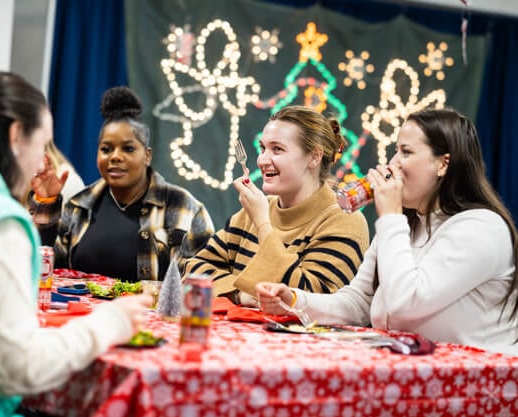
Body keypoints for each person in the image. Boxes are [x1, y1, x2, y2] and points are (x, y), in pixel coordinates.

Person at [0, 71, 152, 416]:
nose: (41, 162)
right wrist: (108, 323)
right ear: (14, 136)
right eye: (42, 146)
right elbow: (16, 369)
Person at [256, 108, 518, 355]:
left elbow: (406, 303)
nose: (393, 163)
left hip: (479, 381)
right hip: (408, 370)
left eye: (406, 152)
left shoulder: (482, 227)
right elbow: (358, 302)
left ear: (442, 164)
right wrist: (295, 300)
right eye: (396, 151)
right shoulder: (404, 225)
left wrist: (391, 217)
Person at [184, 105, 370, 305]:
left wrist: (263, 223)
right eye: (263, 148)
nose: (262, 160)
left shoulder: (344, 220)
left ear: (314, 157)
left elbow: (312, 298)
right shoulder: (252, 212)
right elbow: (194, 269)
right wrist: (240, 295)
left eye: (277, 149)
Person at [30, 86, 214, 282]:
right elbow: (44, 271)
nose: (115, 157)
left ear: (147, 156)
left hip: (148, 312)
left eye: (128, 149)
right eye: (106, 149)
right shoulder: (78, 206)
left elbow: (201, 284)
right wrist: (46, 203)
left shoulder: (185, 208)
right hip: (83, 313)